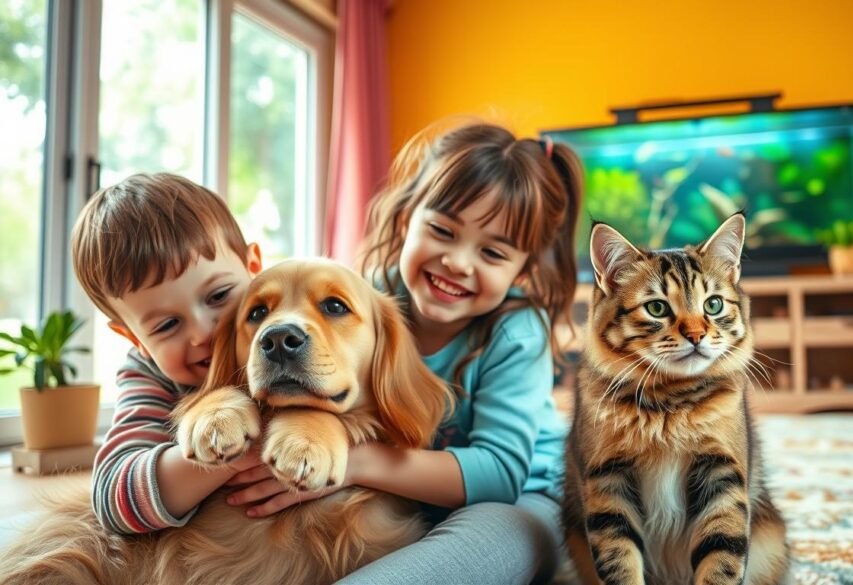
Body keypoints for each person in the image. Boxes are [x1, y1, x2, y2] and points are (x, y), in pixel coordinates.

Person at [227, 121, 585, 584]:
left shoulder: (516, 333)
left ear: (522, 272)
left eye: (493, 254)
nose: (458, 262)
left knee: (478, 545)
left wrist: (351, 463)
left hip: (522, 499)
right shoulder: (361, 302)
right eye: (442, 230)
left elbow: (498, 473)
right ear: (405, 219)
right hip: (401, 493)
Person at [71, 173, 264, 534]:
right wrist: (232, 455)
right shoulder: (149, 375)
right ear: (136, 339)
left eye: (219, 296)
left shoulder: (296, 328)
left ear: (254, 268)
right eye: (166, 325)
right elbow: (113, 500)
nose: (203, 333)